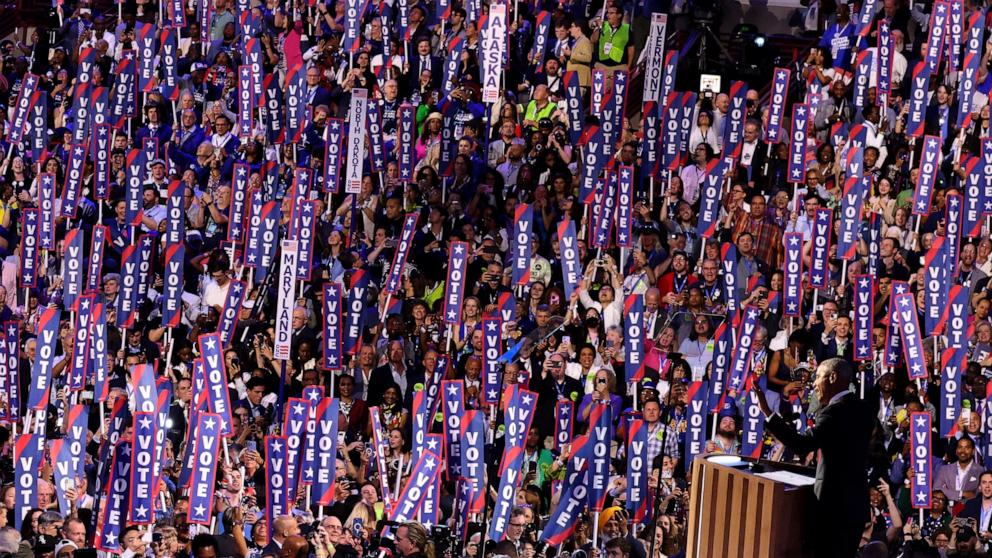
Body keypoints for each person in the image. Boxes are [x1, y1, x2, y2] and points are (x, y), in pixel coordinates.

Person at [752, 358, 873, 558]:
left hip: (833, 509)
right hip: (856, 505)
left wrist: (767, 411)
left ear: (833, 377)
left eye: (818, 377)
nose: (814, 384)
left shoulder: (833, 413)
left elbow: (800, 444)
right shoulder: (865, 409)